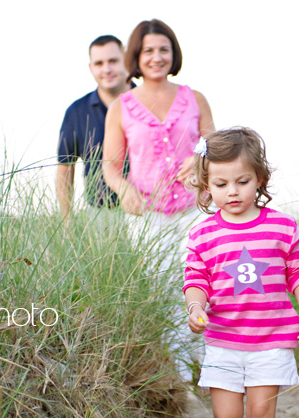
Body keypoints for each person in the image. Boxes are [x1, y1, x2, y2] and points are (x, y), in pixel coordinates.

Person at [184, 128, 299, 418]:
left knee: (260, 414)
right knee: (226, 417)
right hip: (224, 339)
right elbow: (196, 281)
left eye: (242, 181)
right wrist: (195, 308)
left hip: (271, 338)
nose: (233, 192)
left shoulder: (282, 227)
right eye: (221, 184)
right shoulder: (203, 235)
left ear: (259, 178)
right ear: (207, 186)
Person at [103, 19, 215, 381]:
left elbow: (213, 144)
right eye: (148, 50)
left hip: (195, 209)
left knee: (202, 282)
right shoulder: (121, 106)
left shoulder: (194, 98)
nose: (156, 57)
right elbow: (110, 167)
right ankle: (180, 377)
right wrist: (124, 190)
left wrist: (198, 158)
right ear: (137, 56)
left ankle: (212, 366)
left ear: (173, 53)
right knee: (163, 288)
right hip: (147, 215)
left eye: (163, 49)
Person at [55, 35, 131, 216]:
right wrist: (67, 221)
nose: (107, 69)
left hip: (150, 210)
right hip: (100, 212)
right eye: (99, 63)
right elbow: (65, 167)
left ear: (127, 60)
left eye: (113, 61)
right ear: (91, 68)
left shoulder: (148, 103)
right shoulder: (76, 112)